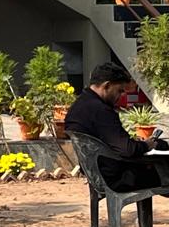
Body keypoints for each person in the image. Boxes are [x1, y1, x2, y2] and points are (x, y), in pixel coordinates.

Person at [66, 61, 169, 190]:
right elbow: (127, 150)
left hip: (97, 174)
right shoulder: (100, 110)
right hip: (118, 177)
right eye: (119, 91)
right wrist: (148, 144)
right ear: (107, 86)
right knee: (162, 153)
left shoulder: (78, 106)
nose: (122, 96)